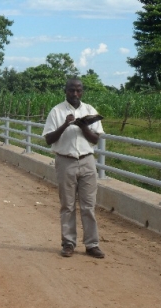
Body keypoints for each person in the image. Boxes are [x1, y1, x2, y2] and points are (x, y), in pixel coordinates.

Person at [42, 78, 105, 259]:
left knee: (89, 206)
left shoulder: (89, 110)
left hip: (87, 160)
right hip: (65, 161)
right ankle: (68, 243)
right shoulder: (57, 111)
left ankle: (92, 244)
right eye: (71, 90)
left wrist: (83, 126)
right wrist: (65, 124)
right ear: (66, 90)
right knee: (67, 205)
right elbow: (49, 139)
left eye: (78, 90)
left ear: (82, 91)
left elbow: (95, 139)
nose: (75, 94)